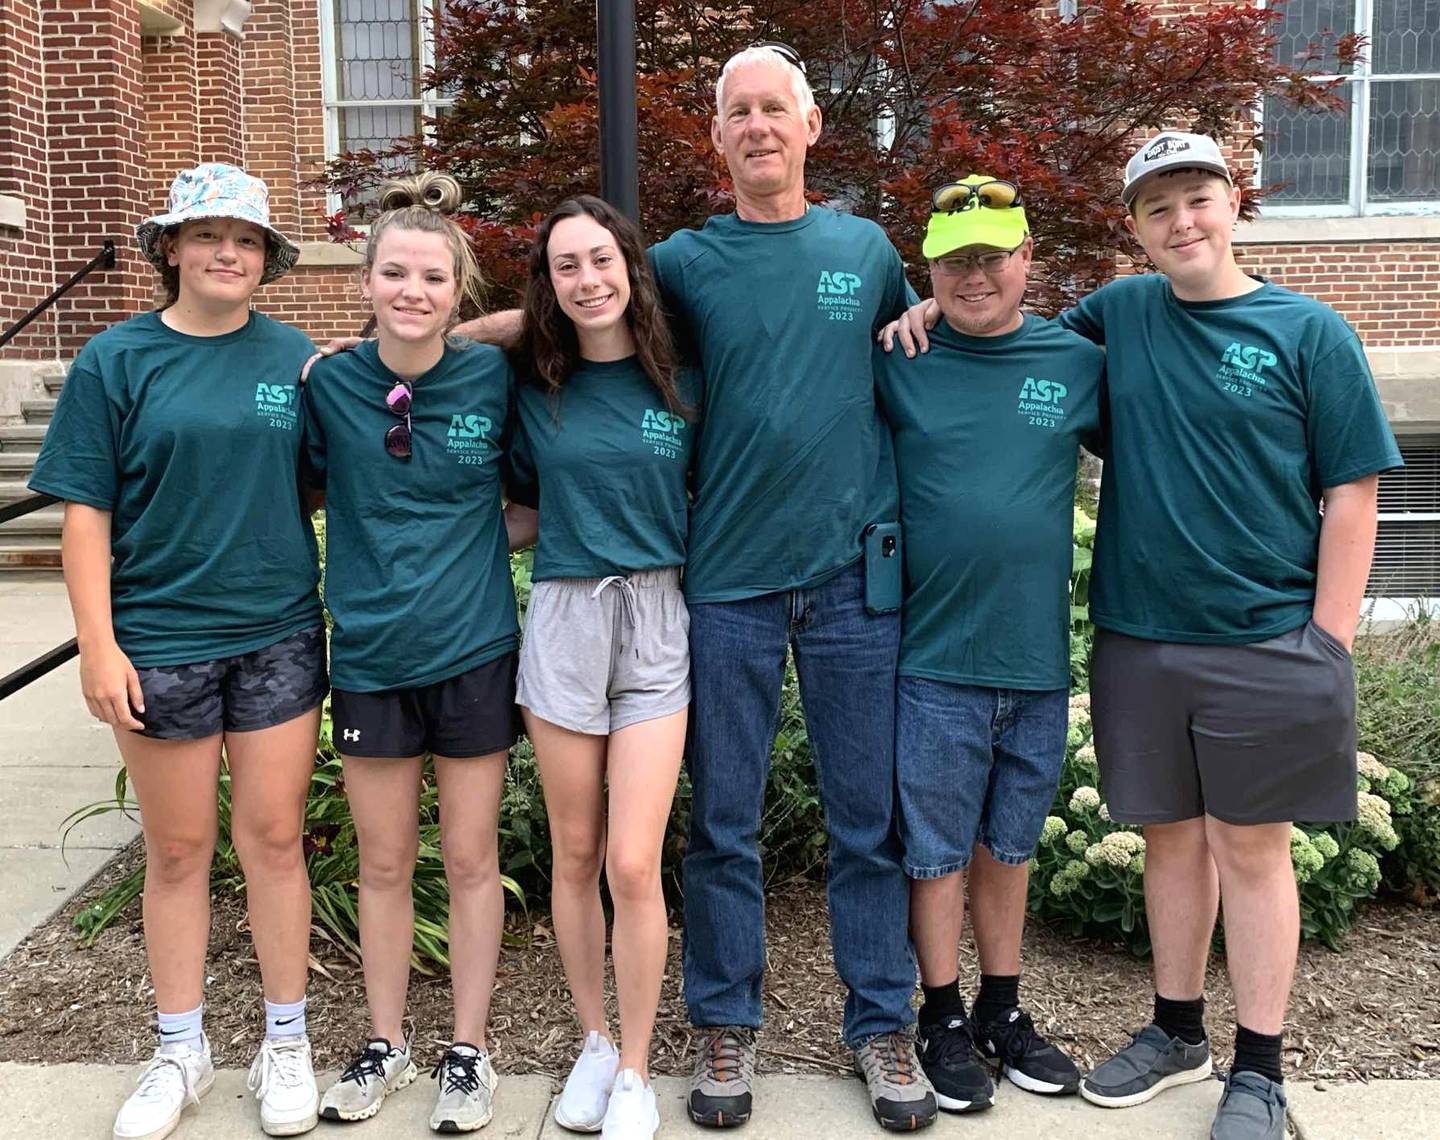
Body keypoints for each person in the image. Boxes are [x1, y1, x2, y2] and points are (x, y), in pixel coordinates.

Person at [886, 131, 1401, 1140]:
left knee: (1250, 850)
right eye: (1158, 208)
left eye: (1197, 199)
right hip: (1138, 639)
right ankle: (1177, 1031)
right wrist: (919, 313)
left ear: (1233, 203)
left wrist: (1329, 644)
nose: (1182, 221)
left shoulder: (1309, 333)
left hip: (1267, 638)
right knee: (1171, 842)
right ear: (1134, 230)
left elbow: (1355, 494)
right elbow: (994, 334)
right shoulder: (1117, 318)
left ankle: (1259, 1069)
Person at [28, 163, 326, 1140]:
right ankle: (180, 1047)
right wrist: (97, 646)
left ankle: (287, 1042)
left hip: (276, 631)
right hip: (159, 639)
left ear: (264, 258)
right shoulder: (117, 361)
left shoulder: (294, 360)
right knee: (179, 850)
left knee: (275, 841)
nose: (226, 253)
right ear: (172, 250)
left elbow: (333, 482)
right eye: (208, 237)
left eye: (244, 239)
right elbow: (84, 516)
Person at [873, 175, 1100, 1115]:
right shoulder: (896, 358)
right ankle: (941, 1016)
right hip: (934, 661)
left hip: (1036, 662)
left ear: (1026, 260)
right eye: (954, 259)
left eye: (992, 255)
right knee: (934, 856)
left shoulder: (1077, 360)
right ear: (927, 268)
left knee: (1009, 848)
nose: (975, 275)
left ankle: (1003, 1011)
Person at [303, 173, 525, 1133]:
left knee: (474, 862)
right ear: (366, 281)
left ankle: (467, 1053)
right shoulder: (328, 385)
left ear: (456, 288)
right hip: (370, 655)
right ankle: (383, 1043)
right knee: (384, 863)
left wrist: (472, 547)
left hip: (474, 648)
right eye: (394, 273)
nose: (412, 291)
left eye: (432, 277)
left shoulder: (490, 379)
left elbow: (529, 496)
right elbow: (297, 491)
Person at [506, 195, 699, 1140]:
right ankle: (591, 1041)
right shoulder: (533, 388)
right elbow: (513, 509)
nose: (588, 281)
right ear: (549, 284)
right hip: (565, 618)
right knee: (575, 854)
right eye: (565, 267)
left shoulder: (684, 381)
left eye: (601, 259)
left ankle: (634, 1069)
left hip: (660, 621)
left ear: (631, 265)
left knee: (633, 860)